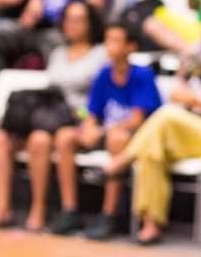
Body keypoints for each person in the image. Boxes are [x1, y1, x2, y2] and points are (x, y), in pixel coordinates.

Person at [103, 19, 201, 246]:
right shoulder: (199, 69)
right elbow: (177, 93)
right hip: (183, 133)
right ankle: (150, 225)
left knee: (168, 115)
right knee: (153, 153)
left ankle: (123, 159)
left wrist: (192, 98)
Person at [0, 0, 106, 232]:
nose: (72, 25)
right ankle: (2, 208)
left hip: (75, 119)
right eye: (69, 19)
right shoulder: (58, 53)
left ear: (91, 24)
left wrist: (85, 118)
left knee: (39, 140)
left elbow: (100, 95)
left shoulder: (100, 54)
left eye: (79, 19)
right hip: (49, 114)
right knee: (2, 137)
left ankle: (39, 208)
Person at [56, 21, 162, 241]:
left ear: (130, 47)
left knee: (117, 138)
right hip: (104, 131)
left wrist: (102, 131)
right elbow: (93, 111)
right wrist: (88, 128)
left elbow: (137, 119)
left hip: (133, 138)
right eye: (107, 40)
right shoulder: (103, 74)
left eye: (115, 40)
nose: (108, 46)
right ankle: (69, 210)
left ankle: (108, 215)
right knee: (65, 137)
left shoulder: (142, 74)